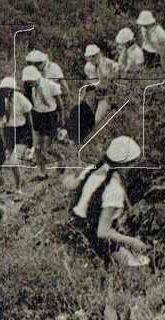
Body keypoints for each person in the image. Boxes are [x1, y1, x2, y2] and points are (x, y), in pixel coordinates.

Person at [70, 135, 150, 268]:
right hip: (91, 236)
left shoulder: (92, 169)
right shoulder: (113, 189)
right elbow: (102, 232)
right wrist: (133, 242)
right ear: (125, 164)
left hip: (74, 225)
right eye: (134, 163)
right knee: (139, 265)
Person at [0, 75, 33, 194]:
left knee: (13, 162)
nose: (4, 91)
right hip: (8, 131)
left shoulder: (20, 98)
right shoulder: (0, 99)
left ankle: (18, 188)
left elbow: (29, 118)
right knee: (8, 158)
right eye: (3, 89)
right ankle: (14, 182)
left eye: (7, 89)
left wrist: (32, 140)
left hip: (21, 131)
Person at [24, 64, 63, 177]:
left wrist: (61, 118)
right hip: (37, 115)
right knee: (37, 147)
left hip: (50, 116)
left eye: (31, 81)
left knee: (49, 147)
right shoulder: (30, 87)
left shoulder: (51, 85)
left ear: (37, 77)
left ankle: (61, 159)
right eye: (28, 81)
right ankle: (42, 172)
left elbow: (60, 104)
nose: (30, 83)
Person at [83, 43, 118, 123]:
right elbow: (91, 81)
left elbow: (111, 81)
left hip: (108, 93)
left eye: (94, 56)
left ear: (99, 54)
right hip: (96, 92)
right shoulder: (88, 67)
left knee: (98, 119)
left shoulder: (108, 64)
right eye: (89, 57)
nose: (92, 58)